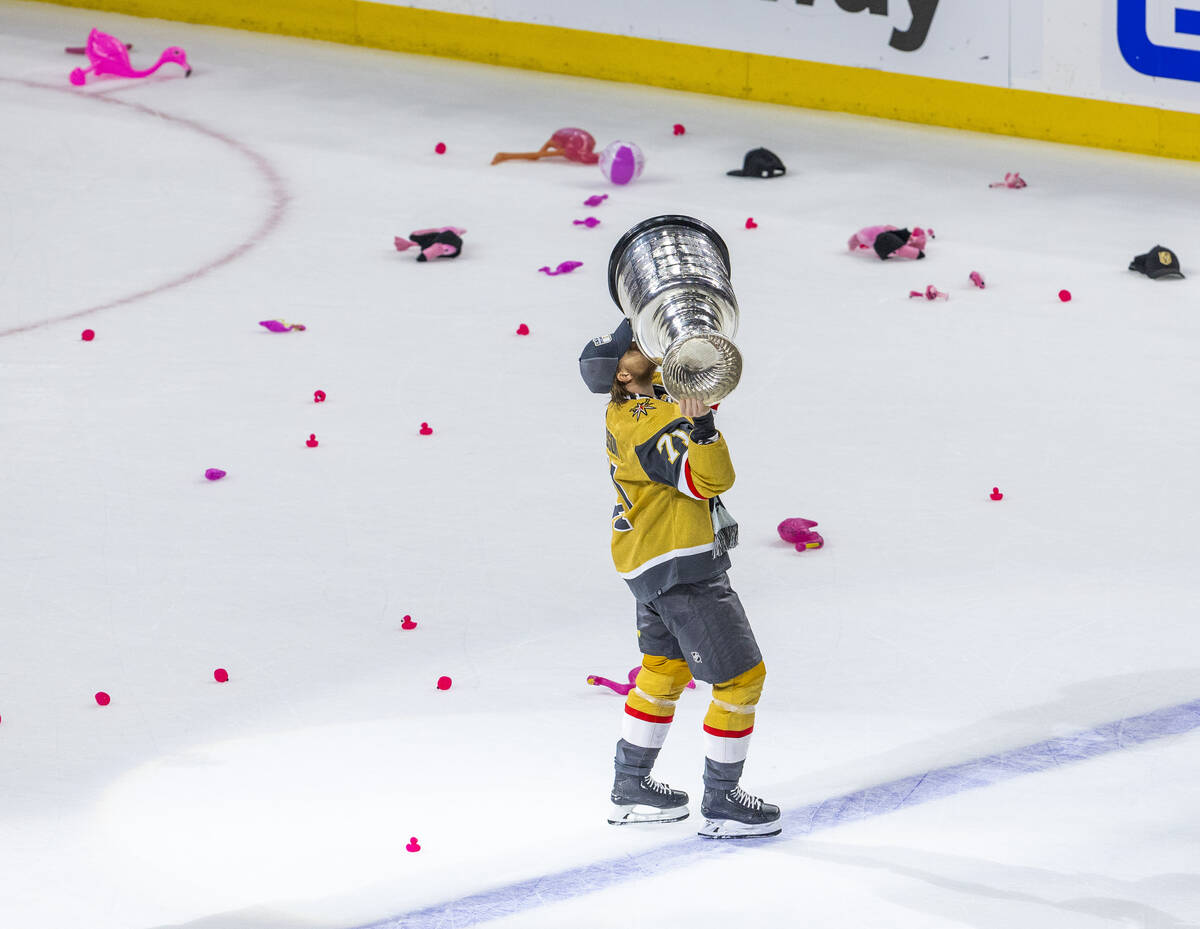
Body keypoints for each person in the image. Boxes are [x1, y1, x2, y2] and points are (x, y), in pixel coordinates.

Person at [578, 318, 781, 839]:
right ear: (624, 376)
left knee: (663, 673)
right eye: (630, 347)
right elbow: (707, 479)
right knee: (741, 678)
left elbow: (681, 389)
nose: (639, 343)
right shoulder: (648, 420)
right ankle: (722, 801)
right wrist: (706, 430)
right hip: (681, 563)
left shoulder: (636, 407)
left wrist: (697, 399)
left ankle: (631, 788)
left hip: (646, 560)